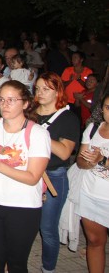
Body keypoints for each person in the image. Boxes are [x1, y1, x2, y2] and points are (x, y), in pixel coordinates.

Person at [0, 81, 51, 273]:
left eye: (11, 100)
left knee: (17, 264)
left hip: (22, 207)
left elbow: (33, 177)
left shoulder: (38, 134)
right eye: (1, 99)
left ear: (25, 103)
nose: (5, 104)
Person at [34, 72, 80, 273]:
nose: (40, 93)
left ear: (58, 91)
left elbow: (64, 152)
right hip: (29, 174)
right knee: (24, 223)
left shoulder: (67, 117)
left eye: (46, 89)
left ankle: (48, 269)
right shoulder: (31, 112)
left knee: (47, 229)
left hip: (53, 176)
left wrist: (38, 132)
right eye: (37, 88)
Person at [75, 93, 109, 273]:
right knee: (95, 242)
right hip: (90, 194)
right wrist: (87, 161)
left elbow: (100, 159)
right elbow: (80, 161)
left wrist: (101, 159)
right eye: (107, 108)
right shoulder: (93, 129)